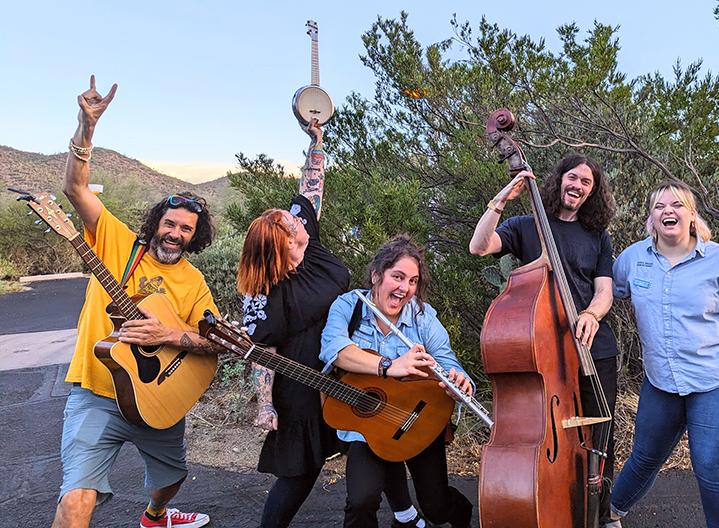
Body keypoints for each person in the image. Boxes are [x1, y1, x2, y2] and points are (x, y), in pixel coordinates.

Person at [238, 123, 427, 528]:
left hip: (354, 361)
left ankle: (405, 515)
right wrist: (266, 402)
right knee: (300, 471)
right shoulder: (263, 292)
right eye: (290, 227)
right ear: (279, 245)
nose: (298, 221)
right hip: (304, 383)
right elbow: (263, 352)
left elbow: (310, 188)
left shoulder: (311, 243)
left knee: (376, 435)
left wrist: (316, 142)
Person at [53, 76, 221, 528]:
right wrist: (85, 128)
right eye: (170, 223)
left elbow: (214, 342)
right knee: (76, 501)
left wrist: (169, 333)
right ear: (157, 222)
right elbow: (75, 189)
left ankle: (156, 515)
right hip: (98, 394)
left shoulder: (193, 280)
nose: (175, 233)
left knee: (172, 476)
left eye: (186, 229)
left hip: (156, 396)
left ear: (195, 236)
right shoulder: (117, 242)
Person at [468, 153, 620, 527]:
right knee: (550, 433)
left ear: (593, 191)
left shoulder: (597, 236)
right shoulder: (526, 225)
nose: (578, 186)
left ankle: (601, 513)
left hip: (591, 347)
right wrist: (500, 201)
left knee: (601, 434)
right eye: (573, 178)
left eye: (587, 182)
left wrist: (591, 314)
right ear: (559, 180)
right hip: (544, 350)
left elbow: (604, 291)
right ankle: (550, 504)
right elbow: (479, 245)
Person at [609, 180, 719, 528]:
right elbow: (606, 294)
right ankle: (609, 514)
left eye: (677, 205)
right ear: (650, 219)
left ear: (692, 215)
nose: (669, 211)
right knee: (644, 457)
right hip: (662, 382)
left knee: (710, 464)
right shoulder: (633, 260)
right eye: (660, 206)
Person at [320, 235, 475, 528]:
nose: (405, 289)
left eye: (413, 281)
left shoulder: (422, 315)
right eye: (398, 277)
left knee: (437, 508)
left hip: (418, 417)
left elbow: (448, 360)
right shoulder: (349, 306)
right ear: (377, 275)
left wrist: (460, 379)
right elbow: (335, 351)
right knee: (361, 501)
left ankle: (461, 516)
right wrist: (389, 366)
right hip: (369, 428)